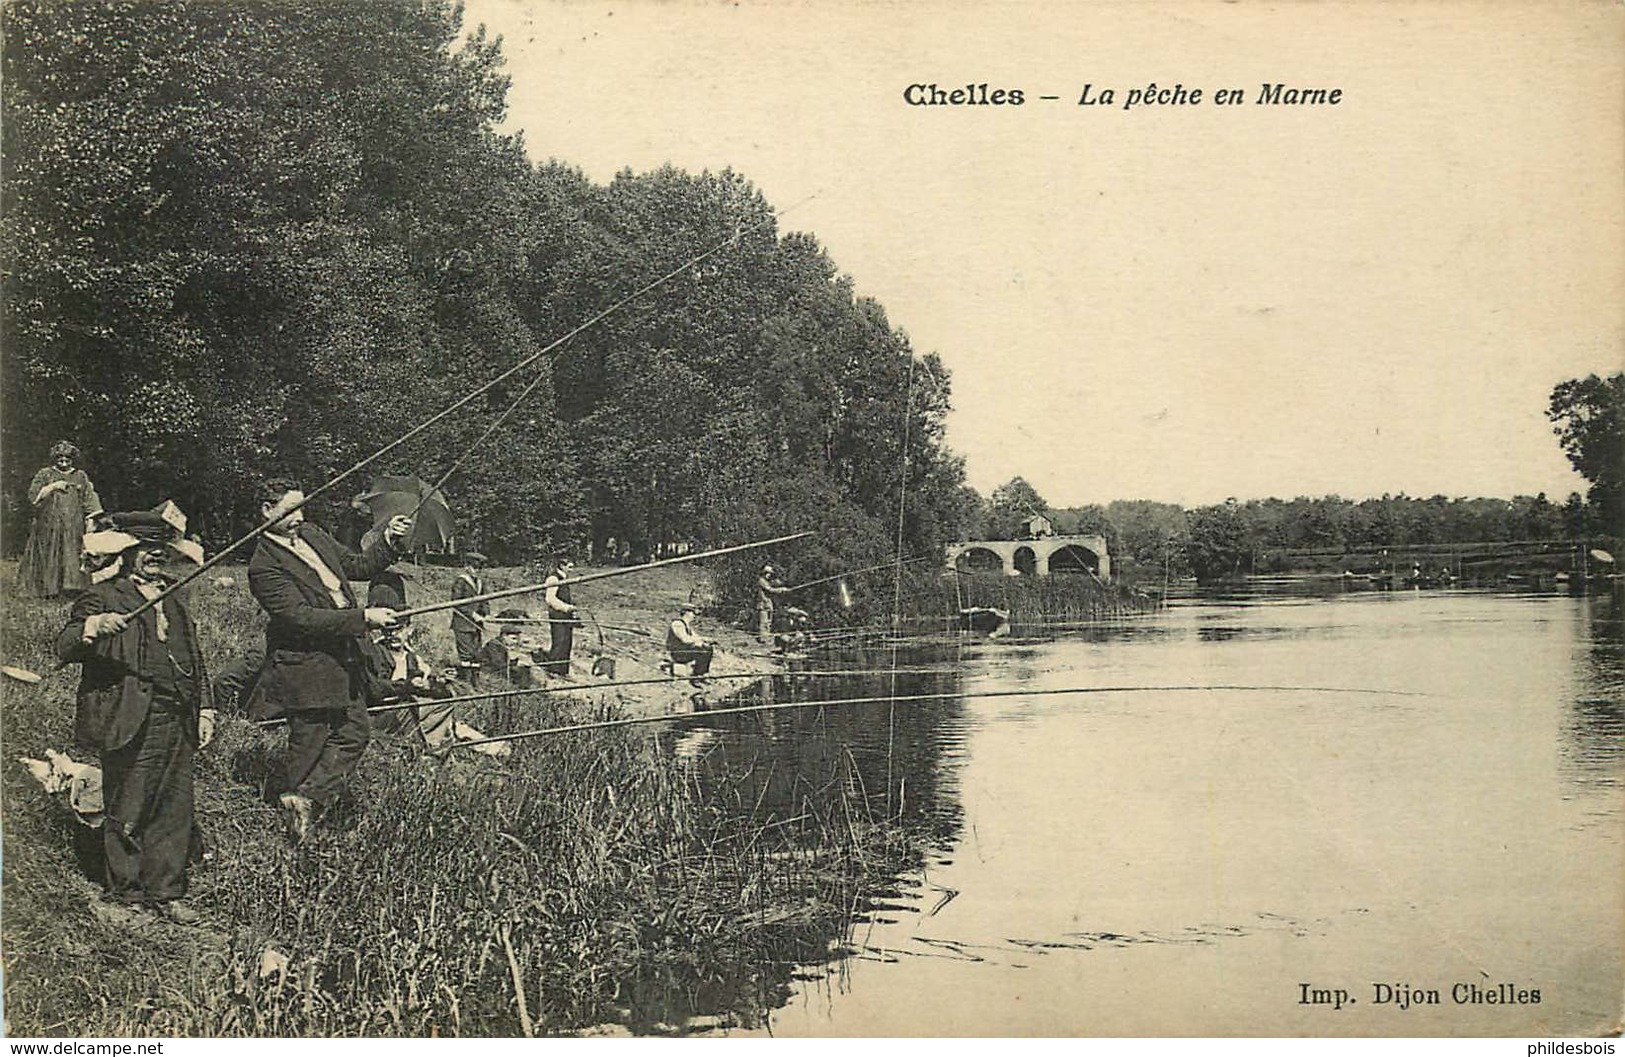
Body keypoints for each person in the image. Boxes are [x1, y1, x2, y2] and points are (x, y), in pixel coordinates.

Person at [56, 508, 207, 923]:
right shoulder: (104, 595)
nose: (155, 556)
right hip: (128, 715)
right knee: (130, 803)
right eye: (146, 550)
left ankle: (166, 890)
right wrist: (94, 625)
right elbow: (65, 644)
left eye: (161, 550)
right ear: (127, 554)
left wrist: (206, 707)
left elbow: (195, 657)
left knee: (175, 805)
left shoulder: (173, 596)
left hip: (176, 715)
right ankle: (127, 892)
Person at [242, 478, 409, 843]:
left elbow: (358, 565)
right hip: (307, 664)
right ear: (266, 511)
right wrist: (362, 618)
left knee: (354, 733)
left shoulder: (313, 535)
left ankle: (306, 801)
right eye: (290, 510)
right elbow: (299, 618)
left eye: (302, 507)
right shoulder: (263, 566)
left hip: (344, 657)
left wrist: (389, 539)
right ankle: (292, 833)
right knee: (310, 742)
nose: (299, 517)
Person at [19, 440, 104, 598]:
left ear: (72, 460)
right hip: (48, 523)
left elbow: (89, 498)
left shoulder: (80, 476)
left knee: (72, 553)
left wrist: (90, 520)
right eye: (60, 460)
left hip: (73, 524)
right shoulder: (45, 474)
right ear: (55, 459)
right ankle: (48, 590)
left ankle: (72, 589)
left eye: (67, 460)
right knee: (49, 553)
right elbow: (34, 497)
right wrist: (53, 486)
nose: (64, 463)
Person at [475, 608, 542, 689]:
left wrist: (517, 661)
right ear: (504, 636)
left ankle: (526, 688)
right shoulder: (494, 645)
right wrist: (516, 663)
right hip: (488, 671)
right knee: (520, 670)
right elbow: (498, 663)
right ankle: (523, 689)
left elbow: (504, 662)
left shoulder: (501, 643)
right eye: (513, 639)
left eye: (517, 639)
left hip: (497, 668)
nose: (515, 642)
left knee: (524, 669)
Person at [449, 554, 489, 685]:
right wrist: (472, 614)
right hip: (463, 624)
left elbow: (485, 600)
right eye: (475, 567)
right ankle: (466, 683)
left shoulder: (480, 582)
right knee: (466, 654)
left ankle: (476, 682)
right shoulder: (461, 581)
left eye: (480, 568)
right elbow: (456, 603)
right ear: (467, 567)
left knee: (477, 653)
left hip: (476, 625)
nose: (477, 571)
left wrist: (486, 614)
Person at [541, 557, 581, 677]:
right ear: (562, 566)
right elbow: (550, 599)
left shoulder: (564, 578)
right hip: (557, 615)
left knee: (567, 642)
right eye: (570, 567)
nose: (571, 570)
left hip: (566, 616)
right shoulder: (553, 578)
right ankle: (553, 670)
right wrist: (566, 607)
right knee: (559, 641)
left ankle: (563, 671)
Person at [666, 603, 714, 685]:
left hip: (685, 651)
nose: (694, 615)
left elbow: (696, 637)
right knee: (701, 649)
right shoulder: (677, 624)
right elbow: (685, 639)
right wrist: (699, 642)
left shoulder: (687, 626)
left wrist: (706, 639)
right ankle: (695, 677)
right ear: (686, 612)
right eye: (693, 613)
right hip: (678, 653)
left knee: (707, 648)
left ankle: (702, 674)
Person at [756, 564, 790, 643]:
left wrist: (782, 588)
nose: (769, 575)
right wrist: (781, 589)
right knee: (764, 622)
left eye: (770, 574)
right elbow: (770, 590)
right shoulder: (761, 581)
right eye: (768, 573)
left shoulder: (767, 581)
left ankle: (766, 637)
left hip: (768, 604)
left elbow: (773, 587)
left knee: (768, 621)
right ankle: (763, 638)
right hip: (763, 604)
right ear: (764, 573)